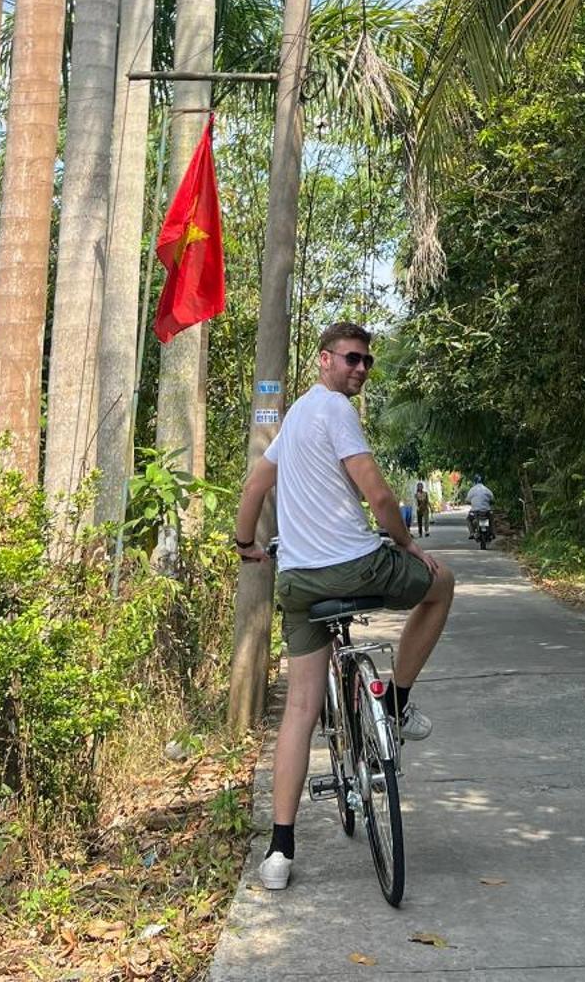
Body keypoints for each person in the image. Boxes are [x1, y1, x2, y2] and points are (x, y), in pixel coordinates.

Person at [233, 321, 455, 893]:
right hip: (358, 566)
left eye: (367, 362)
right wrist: (409, 547)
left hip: (300, 582)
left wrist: (246, 546)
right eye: (351, 359)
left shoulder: (297, 417)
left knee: (300, 709)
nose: (359, 369)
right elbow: (379, 495)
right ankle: (398, 704)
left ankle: (280, 850)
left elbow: (255, 488)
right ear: (324, 361)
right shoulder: (335, 410)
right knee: (443, 583)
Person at [466, 473, 494, 539]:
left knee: (468, 519)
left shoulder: (472, 490)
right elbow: (492, 498)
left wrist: (469, 502)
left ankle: (472, 533)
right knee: (491, 519)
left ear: (474, 481)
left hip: (475, 511)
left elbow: (467, 499)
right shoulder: (486, 489)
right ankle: (492, 532)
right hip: (487, 510)